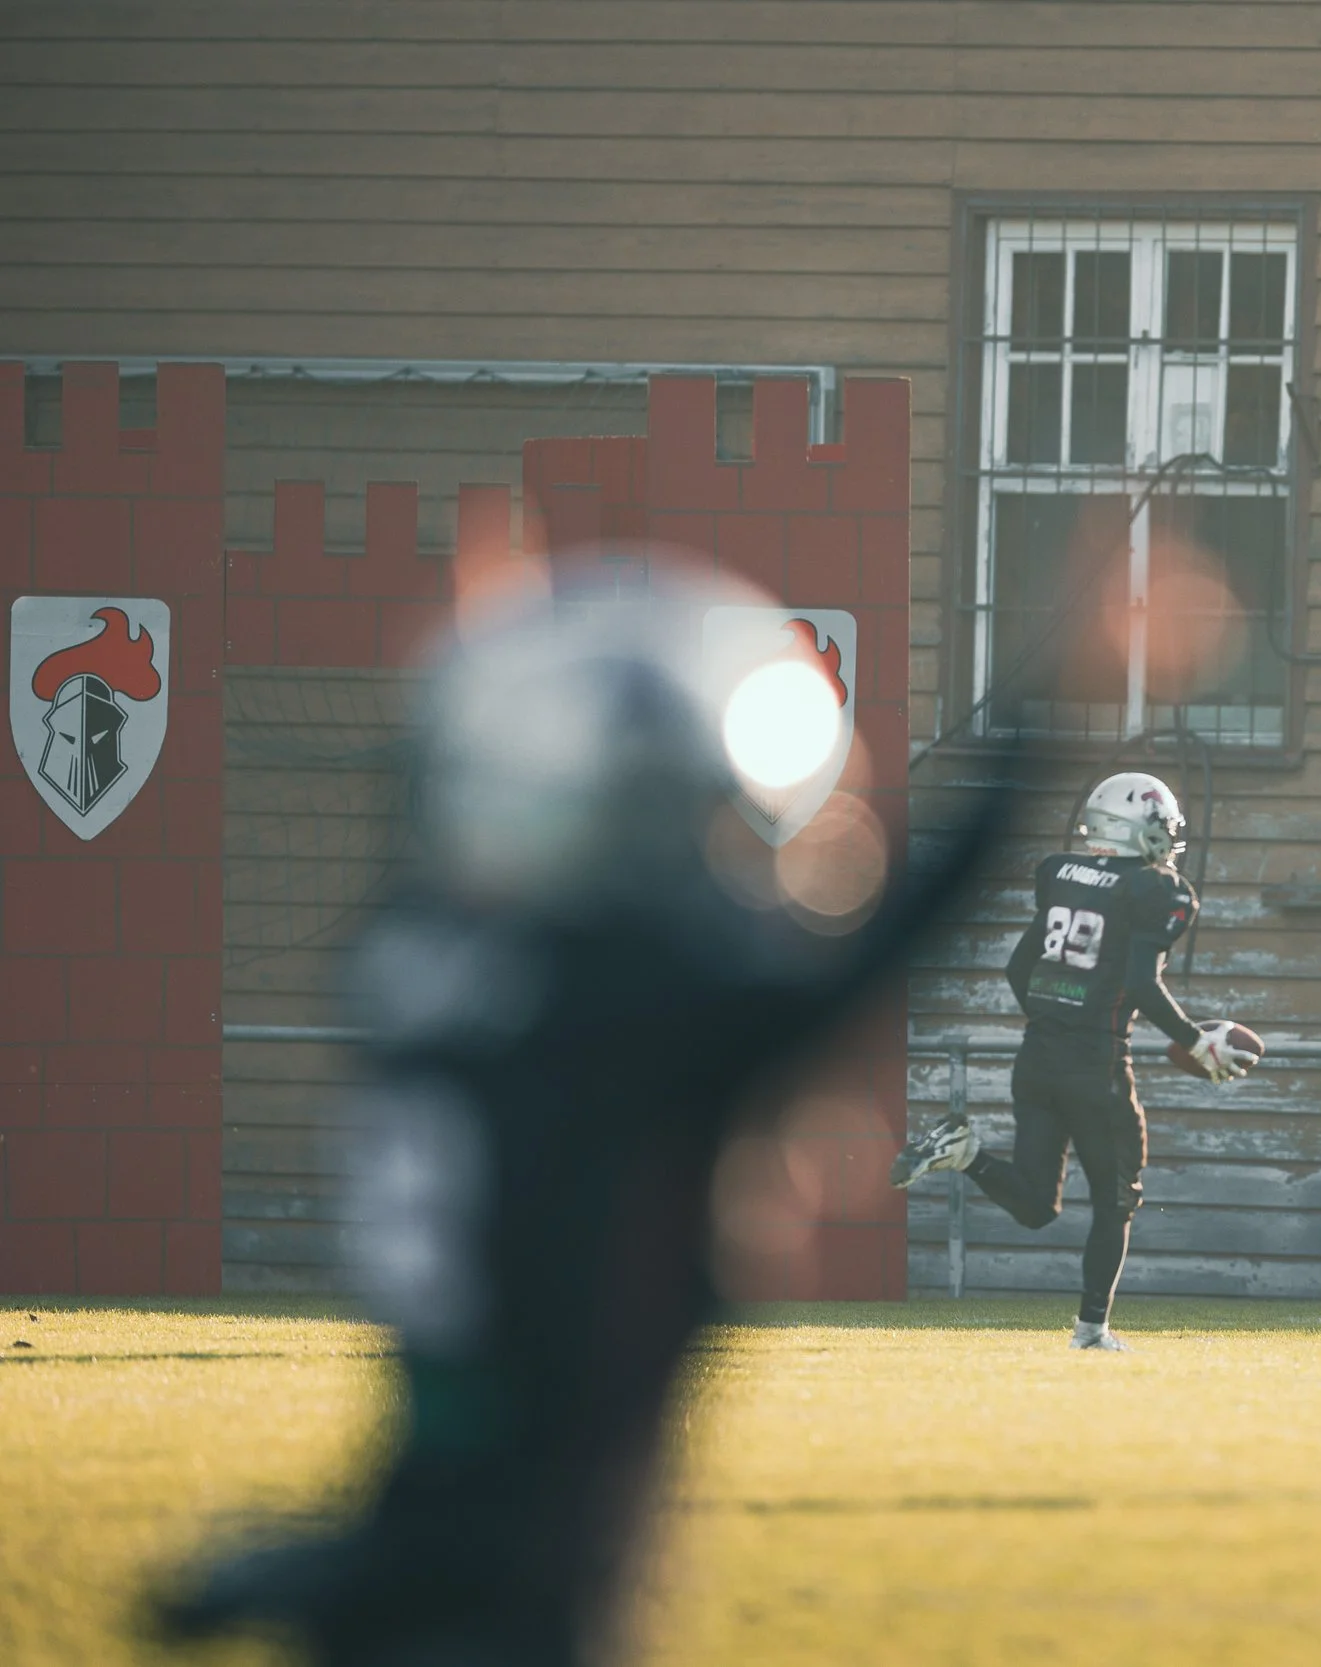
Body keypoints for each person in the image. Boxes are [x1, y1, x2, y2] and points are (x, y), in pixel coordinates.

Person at [155, 571, 1012, 1666]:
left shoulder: (415, 972)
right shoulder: (620, 1018)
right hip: (511, 1586)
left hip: (422, 1537)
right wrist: (1037, 725)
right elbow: (868, 950)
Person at [891, 772, 1257, 1351]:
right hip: (1096, 1066)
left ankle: (964, 1153)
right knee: (1118, 1200)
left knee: (1037, 1206)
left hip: (1037, 1058)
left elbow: (1018, 968)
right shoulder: (1158, 888)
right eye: (1162, 826)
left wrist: (1055, 1019)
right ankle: (1091, 1332)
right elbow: (1141, 983)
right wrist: (1193, 1040)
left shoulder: (1062, 874)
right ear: (1143, 829)